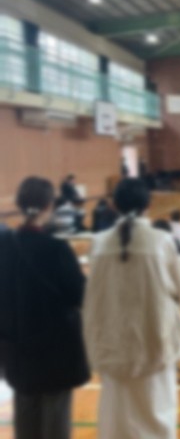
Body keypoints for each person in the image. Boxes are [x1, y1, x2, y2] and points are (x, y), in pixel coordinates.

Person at [84, 178, 180, 439]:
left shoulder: (98, 243)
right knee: (157, 409)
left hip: (111, 339)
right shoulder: (162, 241)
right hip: (154, 338)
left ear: (114, 205)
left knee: (116, 412)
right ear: (149, 204)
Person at [0, 177, 90, 439]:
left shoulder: (3, 247)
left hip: (16, 348)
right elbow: (79, 296)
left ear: (19, 205)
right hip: (55, 351)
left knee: (25, 415)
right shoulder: (57, 249)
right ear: (49, 206)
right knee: (55, 418)